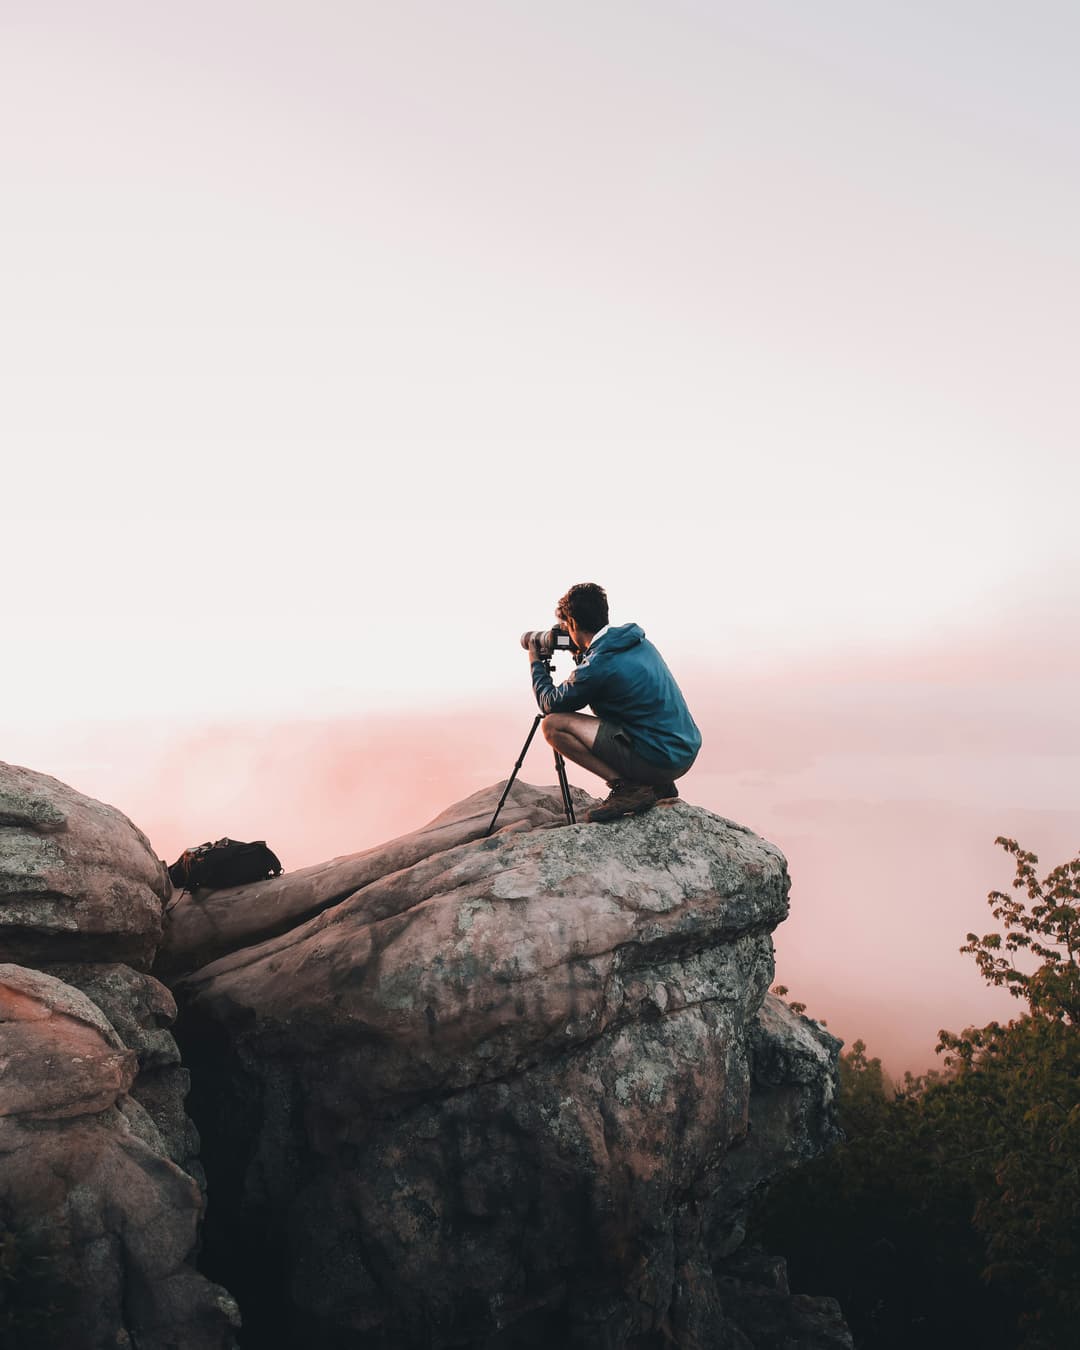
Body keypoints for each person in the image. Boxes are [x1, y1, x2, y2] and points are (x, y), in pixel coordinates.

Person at [528, 582, 701, 823]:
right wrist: (579, 653)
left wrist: (536, 662)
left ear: (574, 624)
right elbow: (605, 678)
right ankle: (657, 786)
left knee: (552, 725)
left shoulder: (599, 664)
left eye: (567, 626)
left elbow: (550, 703)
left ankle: (629, 788)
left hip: (659, 759)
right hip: (682, 751)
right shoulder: (633, 641)